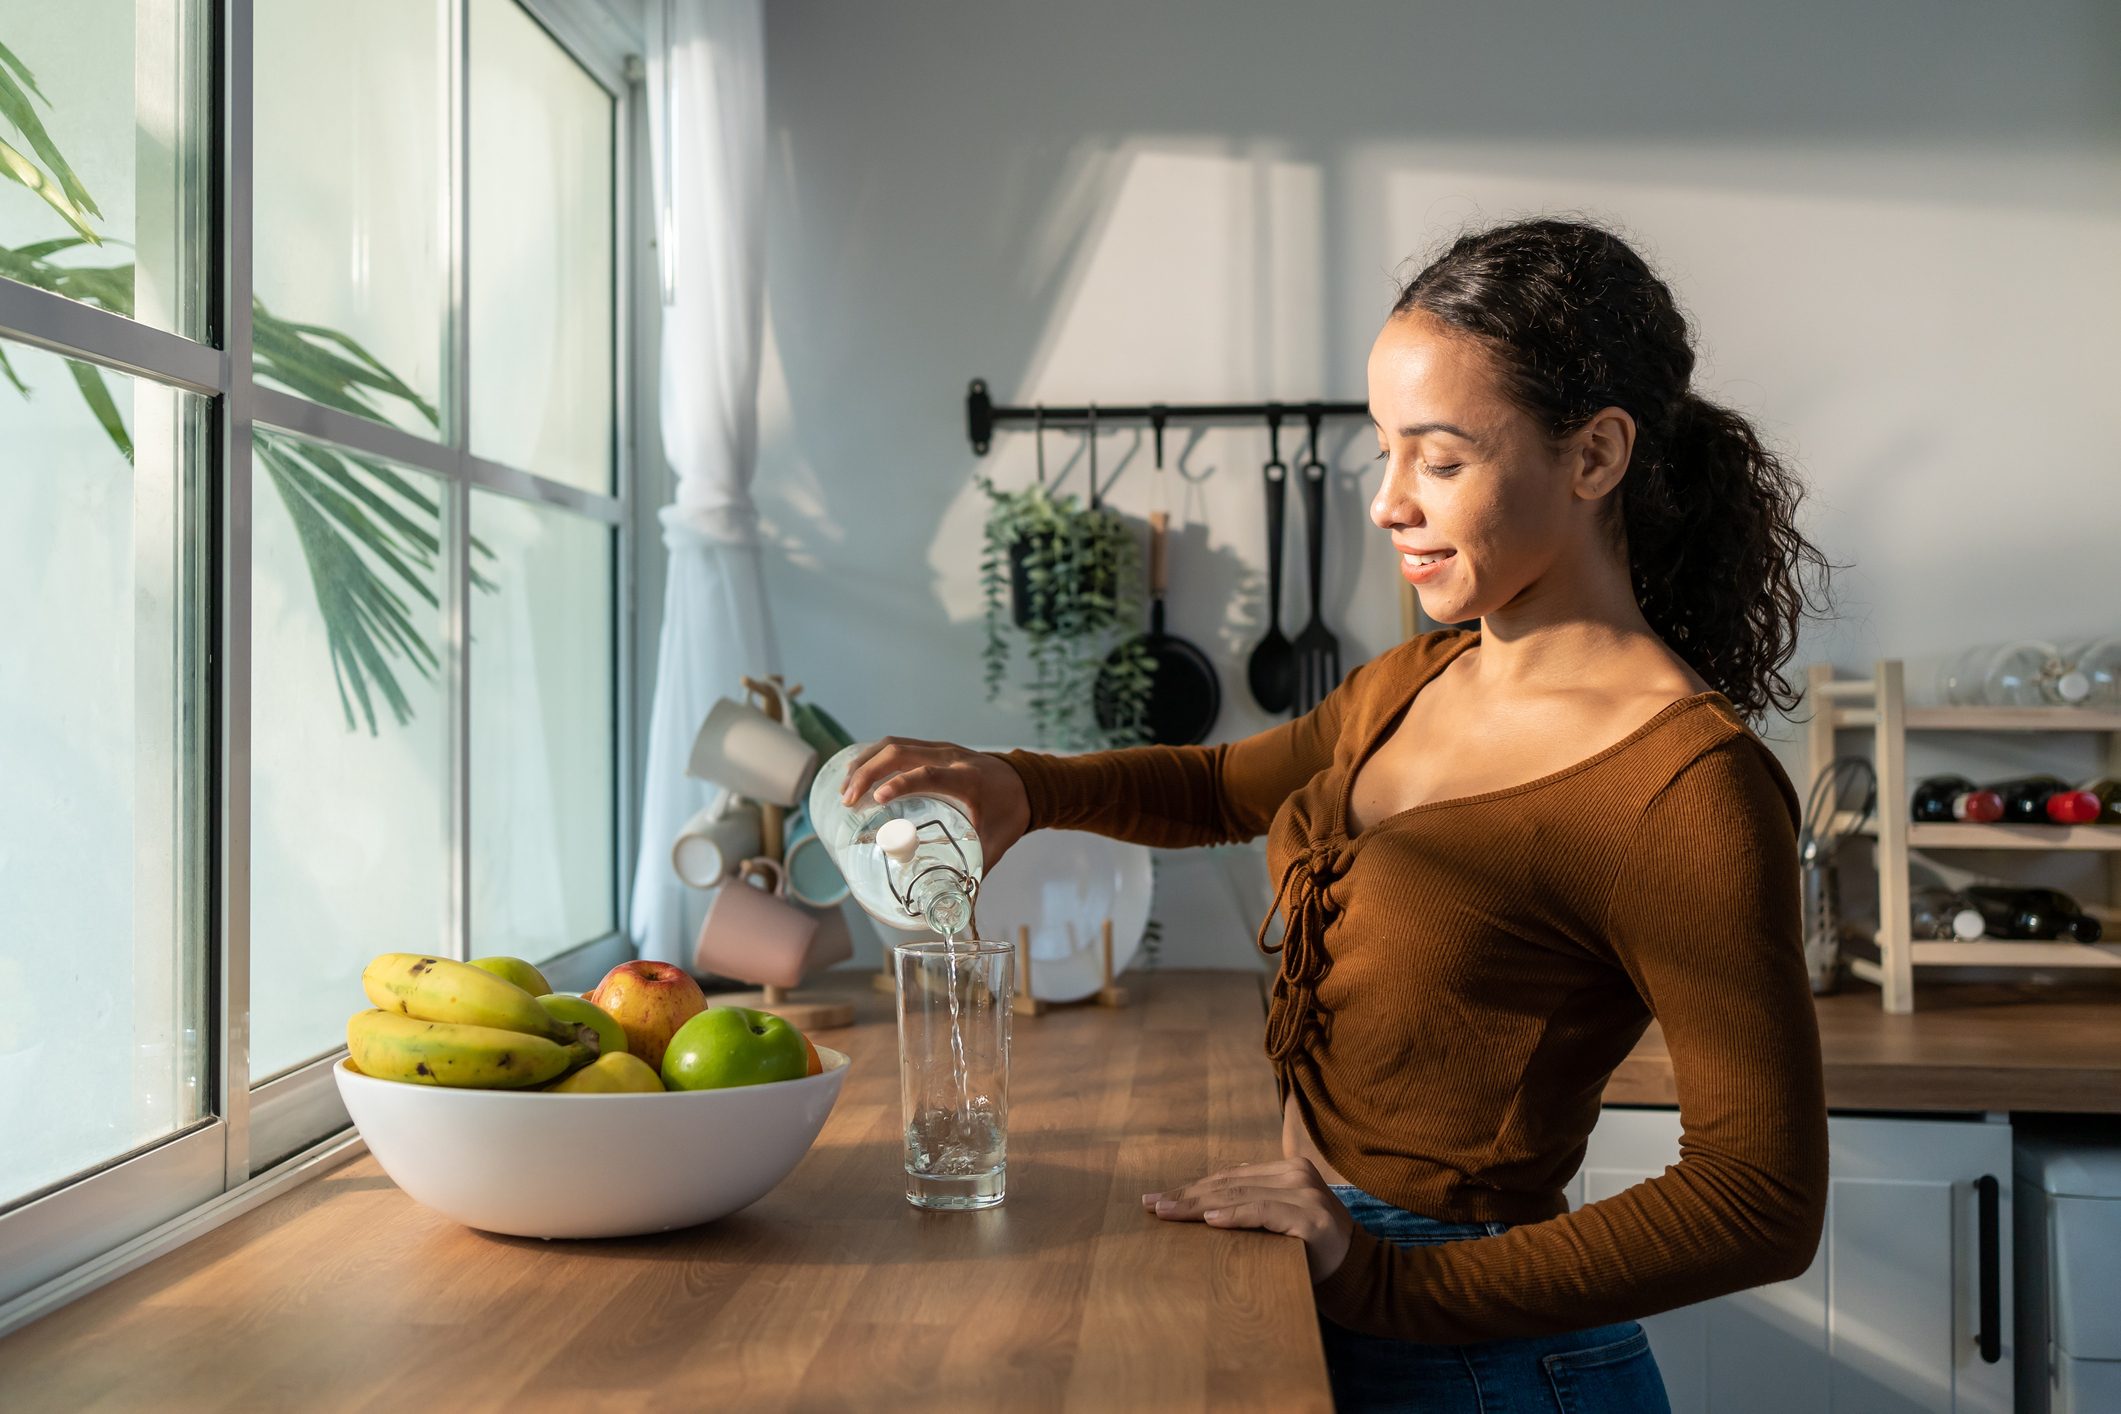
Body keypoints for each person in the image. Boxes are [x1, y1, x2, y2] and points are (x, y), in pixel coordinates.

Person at [837, 216, 1834, 1414]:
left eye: (1442, 459)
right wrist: (1023, 786)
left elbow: (1758, 1199)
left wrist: (1386, 1282)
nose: (1388, 503)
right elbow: (1222, 789)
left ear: (1596, 455)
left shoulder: (1685, 785)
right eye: (1384, 451)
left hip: (1484, 1358)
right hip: (1334, 1296)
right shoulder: (1420, 676)